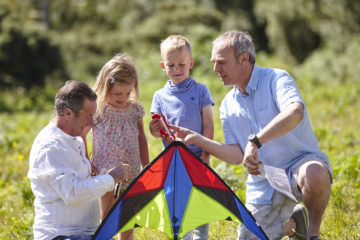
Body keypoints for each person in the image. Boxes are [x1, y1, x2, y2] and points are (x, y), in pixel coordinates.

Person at [171, 31, 333, 240]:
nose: (215, 69)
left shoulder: (277, 78)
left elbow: (295, 112)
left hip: (299, 165)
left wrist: (256, 141)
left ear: (244, 59)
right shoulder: (228, 104)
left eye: (222, 62)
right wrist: (197, 139)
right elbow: (237, 155)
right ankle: (292, 223)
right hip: (265, 183)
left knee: (314, 173)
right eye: (214, 62)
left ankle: (312, 235)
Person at [28, 80, 131, 240]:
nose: (93, 121)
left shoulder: (74, 139)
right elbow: (73, 193)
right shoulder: (51, 147)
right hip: (62, 235)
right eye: (89, 115)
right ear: (68, 114)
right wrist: (110, 178)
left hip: (86, 234)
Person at [149, 35, 215, 240]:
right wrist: (153, 128)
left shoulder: (200, 90)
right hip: (173, 159)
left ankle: (201, 236)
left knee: (201, 200)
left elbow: (208, 124)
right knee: (177, 201)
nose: (176, 70)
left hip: (198, 157)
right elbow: (156, 130)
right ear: (162, 66)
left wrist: (206, 153)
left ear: (191, 63)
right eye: (171, 65)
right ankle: (183, 236)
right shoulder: (159, 96)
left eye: (181, 65)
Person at [91, 53, 149, 240]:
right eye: (118, 93)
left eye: (128, 93)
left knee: (128, 219)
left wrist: (146, 164)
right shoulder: (98, 110)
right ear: (105, 85)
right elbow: (81, 137)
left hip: (131, 172)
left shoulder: (134, 110)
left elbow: (141, 137)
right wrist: (86, 161)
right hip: (107, 172)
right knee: (107, 217)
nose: (123, 98)